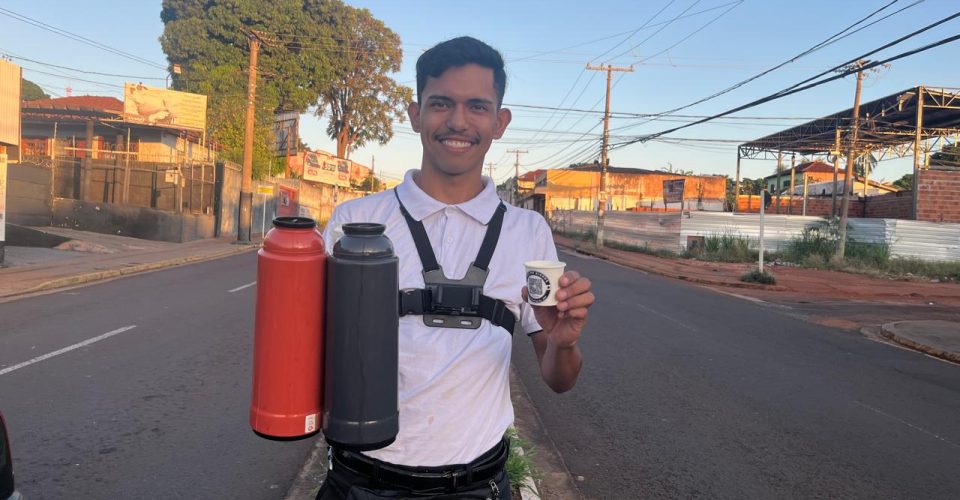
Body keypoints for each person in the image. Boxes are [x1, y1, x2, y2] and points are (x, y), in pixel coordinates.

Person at [318, 36, 595, 500]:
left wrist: (563, 343)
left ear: (500, 121)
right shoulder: (354, 221)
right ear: (415, 114)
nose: (458, 122)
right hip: (358, 482)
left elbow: (559, 379)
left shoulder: (529, 231)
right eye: (441, 103)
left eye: (478, 107)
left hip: (477, 486)